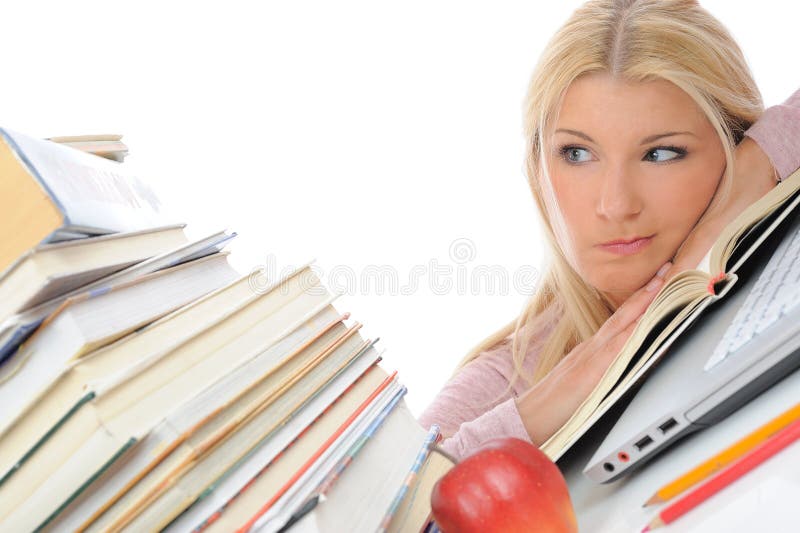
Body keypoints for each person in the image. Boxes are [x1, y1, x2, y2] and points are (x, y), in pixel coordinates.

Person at [418, 0, 800, 461]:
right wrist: (541, 409)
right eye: (577, 154)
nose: (616, 205)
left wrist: (756, 167)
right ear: (537, 168)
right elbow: (397, 507)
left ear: (732, 145)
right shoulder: (508, 379)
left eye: (660, 154)